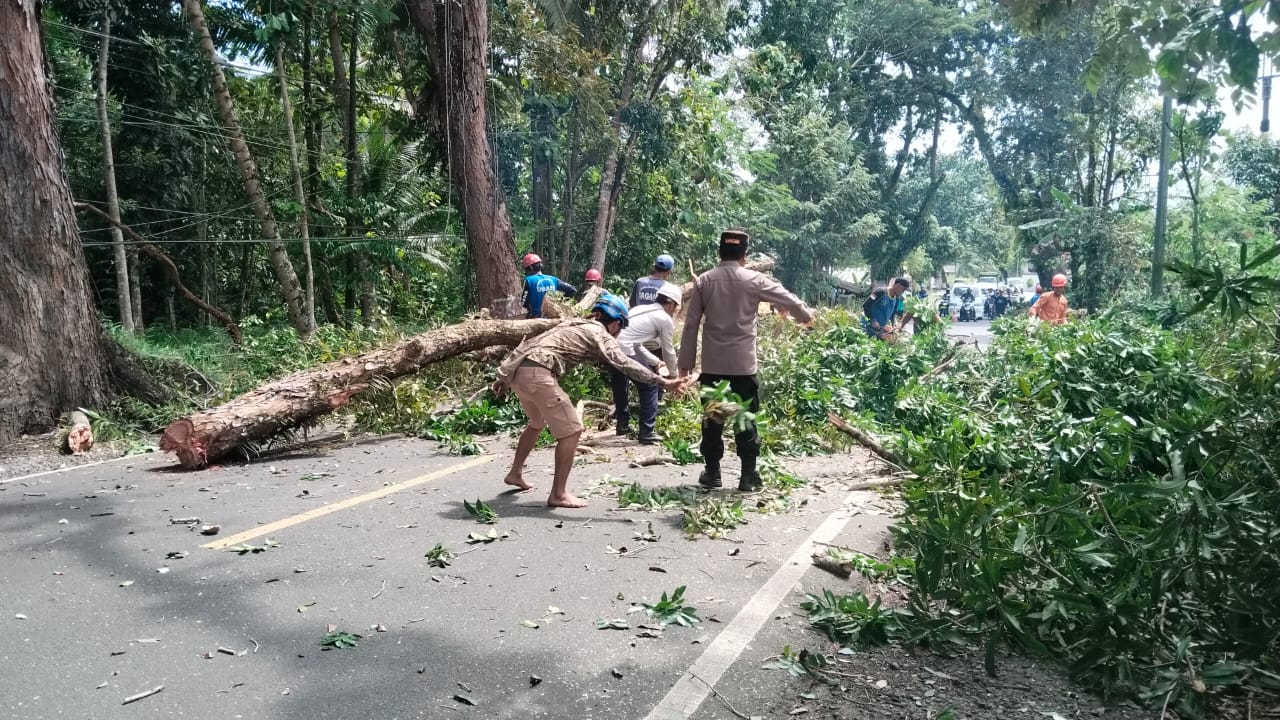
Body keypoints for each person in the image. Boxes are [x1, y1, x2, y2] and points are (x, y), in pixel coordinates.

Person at [493, 293, 686, 508]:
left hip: (518, 374)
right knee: (572, 431)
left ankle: (515, 473)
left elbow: (530, 343)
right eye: (620, 328)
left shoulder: (573, 324)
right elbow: (623, 362)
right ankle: (558, 494)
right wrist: (662, 381)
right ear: (614, 323)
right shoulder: (598, 333)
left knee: (537, 422)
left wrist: (503, 376)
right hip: (539, 375)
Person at [678, 230, 813, 492]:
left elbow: (691, 324)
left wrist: (686, 363)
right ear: (744, 255)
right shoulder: (755, 280)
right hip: (743, 366)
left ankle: (713, 473)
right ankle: (747, 477)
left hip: (713, 365)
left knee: (713, 419)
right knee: (746, 418)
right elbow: (790, 300)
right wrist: (805, 317)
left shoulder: (705, 281)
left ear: (719, 252)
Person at [612, 282, 681, 444]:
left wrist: (655, 362)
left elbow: (636, 343)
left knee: (620, 381)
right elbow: (668, 351)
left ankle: (622, 424)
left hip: (612, 346)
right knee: (649, 384)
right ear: (671, 304)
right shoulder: (664, 319)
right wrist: (674, 376)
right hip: (625, 349)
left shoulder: (639, 309)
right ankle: (647, 431)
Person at [521, 253, 576, 318]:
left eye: (526, 269)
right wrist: (560, 302)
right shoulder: (553, 279)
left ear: (530, 267)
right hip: (552, 317)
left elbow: (524, 303)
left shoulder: (528, 280)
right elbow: (572, 290)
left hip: (535, 318)